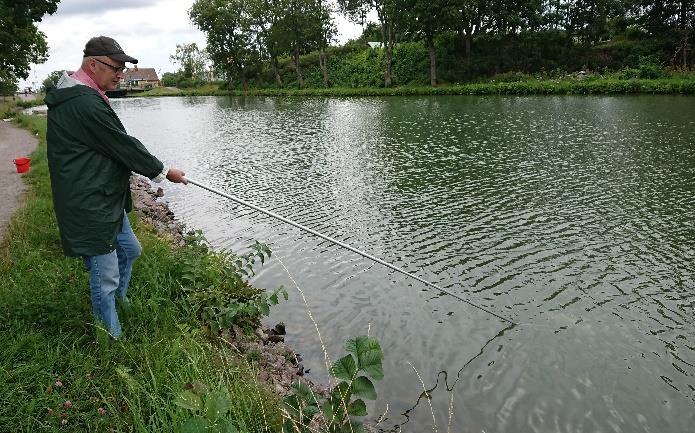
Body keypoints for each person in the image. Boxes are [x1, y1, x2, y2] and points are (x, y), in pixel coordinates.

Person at [45, 36, 187, 339]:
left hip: (105, 197)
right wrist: (162, 172)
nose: (120, 75)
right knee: (104, 274)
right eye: (116, 68)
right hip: (89, 201)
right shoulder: (82, 101)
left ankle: (119, 301)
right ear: (93, 64)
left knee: (130, 250)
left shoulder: (85, 95)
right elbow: (119, 143)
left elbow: (108, 145)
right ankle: (112, 336)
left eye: (122, 69)